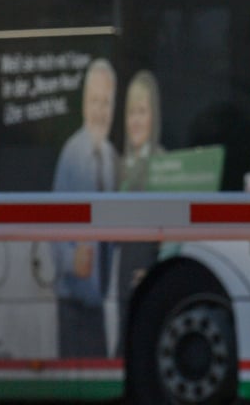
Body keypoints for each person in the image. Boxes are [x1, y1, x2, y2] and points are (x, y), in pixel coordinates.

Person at [51, 58, 118, 358]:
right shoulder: (71, 154)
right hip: (74, 304)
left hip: (101, 302)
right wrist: (69, 259)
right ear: (83, 105)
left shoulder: (112, 157)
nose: (100, 111)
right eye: (94, 101)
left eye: (105, 103)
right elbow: (51, 225)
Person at [115, 70, 164, 355]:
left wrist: (151, 271)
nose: (135, 121)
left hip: (147, 269)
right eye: (131, 112)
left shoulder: (162, 163)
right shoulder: (119, 164)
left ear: (153, 116)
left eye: (142, 112)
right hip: (121, 273)